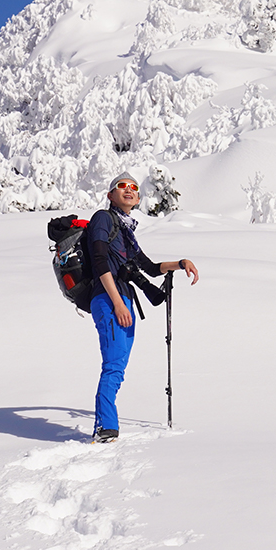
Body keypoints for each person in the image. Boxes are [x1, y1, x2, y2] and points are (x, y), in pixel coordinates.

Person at [83, 172, 199, 442]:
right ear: (110, 195)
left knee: (118, 367)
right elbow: (100, 261)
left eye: (133, 187)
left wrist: (180, 263)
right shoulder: (103, 219)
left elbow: (150, 268)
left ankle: (106, 426)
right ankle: (105, 428)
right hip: (109, 298)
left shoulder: (125, 231)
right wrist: (116, 302)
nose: (129, 190)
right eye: (121, 186)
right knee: (113, 365)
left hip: (122, 301)